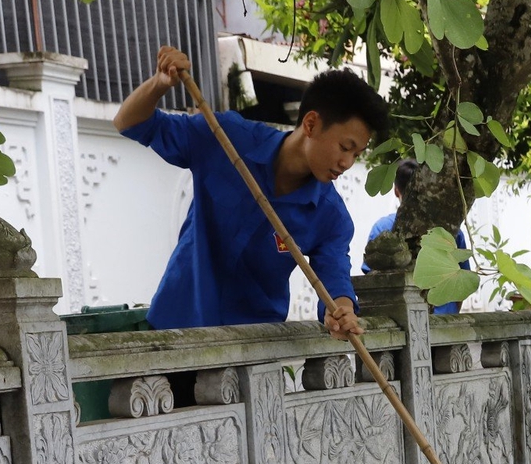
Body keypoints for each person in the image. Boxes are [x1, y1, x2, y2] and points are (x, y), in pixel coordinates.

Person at [114, 46, 387, 335]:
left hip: (253, 348)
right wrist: (160, 83)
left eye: (357, 154)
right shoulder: (227, 138)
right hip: (177, 330)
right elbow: (129, 122)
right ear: (310, 124)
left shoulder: (331, 217)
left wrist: (342, 311)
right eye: (345, 147)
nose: (347, 163)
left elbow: (334, 279)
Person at [363, 159, 468, 315]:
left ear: (396, 190)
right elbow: (462, 283)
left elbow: (371, 280)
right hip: (445, 318)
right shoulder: (448, 230)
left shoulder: (382, 229)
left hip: (399, 318)